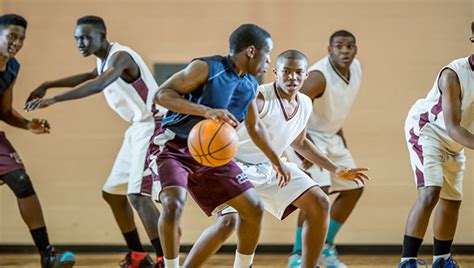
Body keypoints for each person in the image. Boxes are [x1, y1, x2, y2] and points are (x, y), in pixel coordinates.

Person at [181, 50, 368, 268]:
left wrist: (335, 169)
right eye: (286, 72)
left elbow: (300, 142)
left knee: (319, 202)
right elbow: (237, 126)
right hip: (233, 166)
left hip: (267, 166)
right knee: (228, 222)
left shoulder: (305, 103)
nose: (292, 77)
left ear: (306, 75)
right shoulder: (259, 98)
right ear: (275, 72)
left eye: (298, 73)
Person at [25, 15, 164, 267]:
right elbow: (89, 76)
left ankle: (166, 259)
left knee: (138, 197)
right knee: (112, 193)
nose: (81, 43)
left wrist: (55, 100)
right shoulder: (103, 61)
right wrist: (48, 84)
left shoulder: (121, 57)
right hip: (137, 129)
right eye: (77, 38)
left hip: (154, 126)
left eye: (87, 37)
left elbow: (99, 84)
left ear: (103, 34)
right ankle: (138, 256)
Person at [154, 24, 292, 268]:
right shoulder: (207, 68)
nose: (268, 62)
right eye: (267, 54)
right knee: (173, 205)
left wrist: (277, 160)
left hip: (213, 157)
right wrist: (205, 111)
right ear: (251, 51)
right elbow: (162, 95)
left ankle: (243, 266)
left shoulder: (250, 85)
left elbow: (255, 127)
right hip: (175, 148)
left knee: (253, 209)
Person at [0, 13, 76, 268]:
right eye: (12, 36)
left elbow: (5, 111)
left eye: (21, 38)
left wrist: (27, 124)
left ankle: (48, 255)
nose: (17, 42)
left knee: (21, 182)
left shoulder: (12, 67)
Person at [397, 22, 474, 268]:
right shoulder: (453, 73)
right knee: (430, 192)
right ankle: (407, 261)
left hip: (456, 140)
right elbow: (452, 125)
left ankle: (441, 260)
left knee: (452, 200)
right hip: (427, 129)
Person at [285, 30, 363, 268]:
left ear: (355, 49)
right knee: (318, 193)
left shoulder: (356, 68)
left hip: (332, 136)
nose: (345, 51)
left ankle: (324, 246)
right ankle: (298, 255)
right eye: (339, 46)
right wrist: (300, 149)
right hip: (306, 137)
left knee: (354, 187)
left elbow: (334, 112)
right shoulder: (319, 76)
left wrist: (342, 142)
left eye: (349, 46)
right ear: (329, 50)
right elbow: (292, 109)